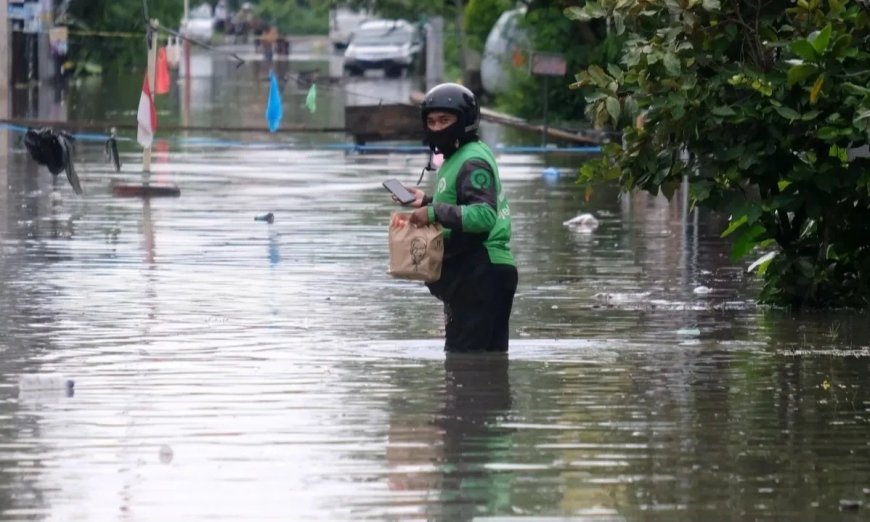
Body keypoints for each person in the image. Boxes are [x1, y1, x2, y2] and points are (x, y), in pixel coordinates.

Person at [390, 83, 518, 353]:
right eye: (431, 122)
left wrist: (433, 212)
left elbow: (483, 215)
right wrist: (426, 201)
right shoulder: (457, 158)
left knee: (464, 366)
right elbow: (463, 207)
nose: (437, 128)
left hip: (482, 271)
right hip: (479, 272)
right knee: (488, 368)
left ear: (465, 121)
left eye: (445, 120)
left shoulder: (472, 160)